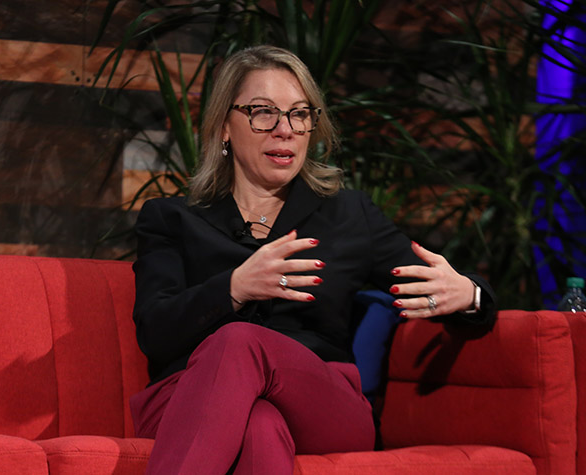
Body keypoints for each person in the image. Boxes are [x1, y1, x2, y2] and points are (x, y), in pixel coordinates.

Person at [130, 45, 496, 474]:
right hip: (188, 397)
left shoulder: (348, 216)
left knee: (239, 340)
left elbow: (434, 283)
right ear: (223, 127)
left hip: (321, 404)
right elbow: (155, 331)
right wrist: (234, 289)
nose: (284, 129)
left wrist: (468, 294)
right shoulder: (172, 219)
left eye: (300, 114)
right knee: (260, 425)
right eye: (263, 112)